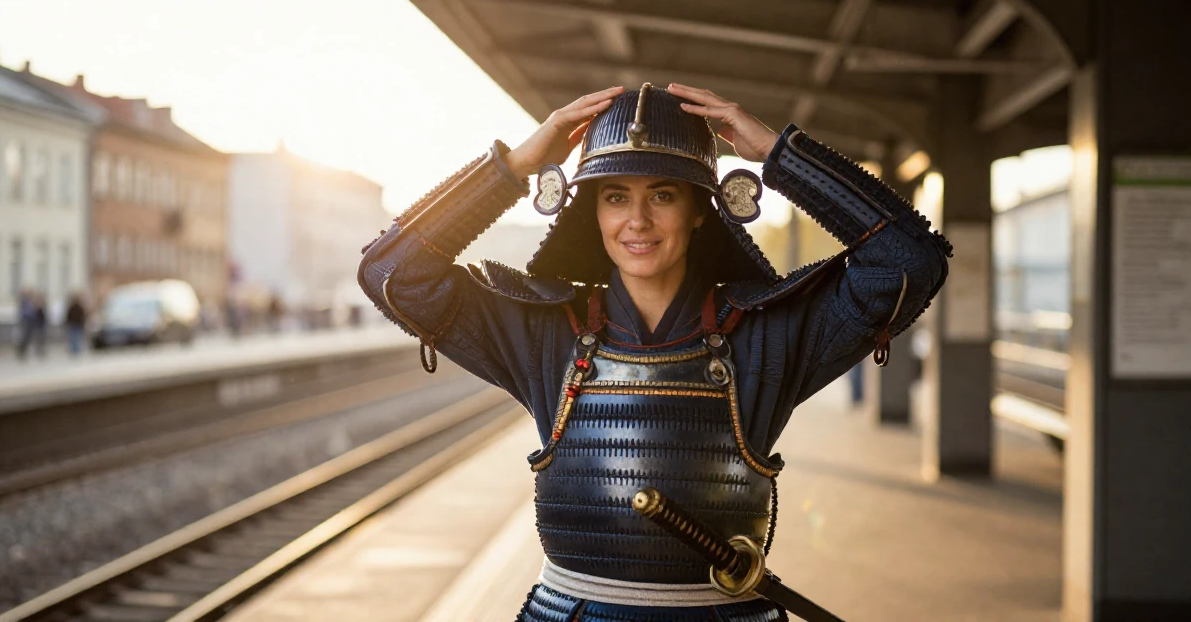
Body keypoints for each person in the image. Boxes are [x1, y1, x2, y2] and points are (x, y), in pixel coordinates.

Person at [358, 84, 950, 621]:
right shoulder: (544, 331)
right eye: (616, 197)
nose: (637, 220)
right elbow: (393, 274)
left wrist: (782, 156)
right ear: (592, 212)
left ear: (699, 210)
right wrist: (513, 167)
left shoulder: (766, 332)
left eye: (662, 194)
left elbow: (911, 262)